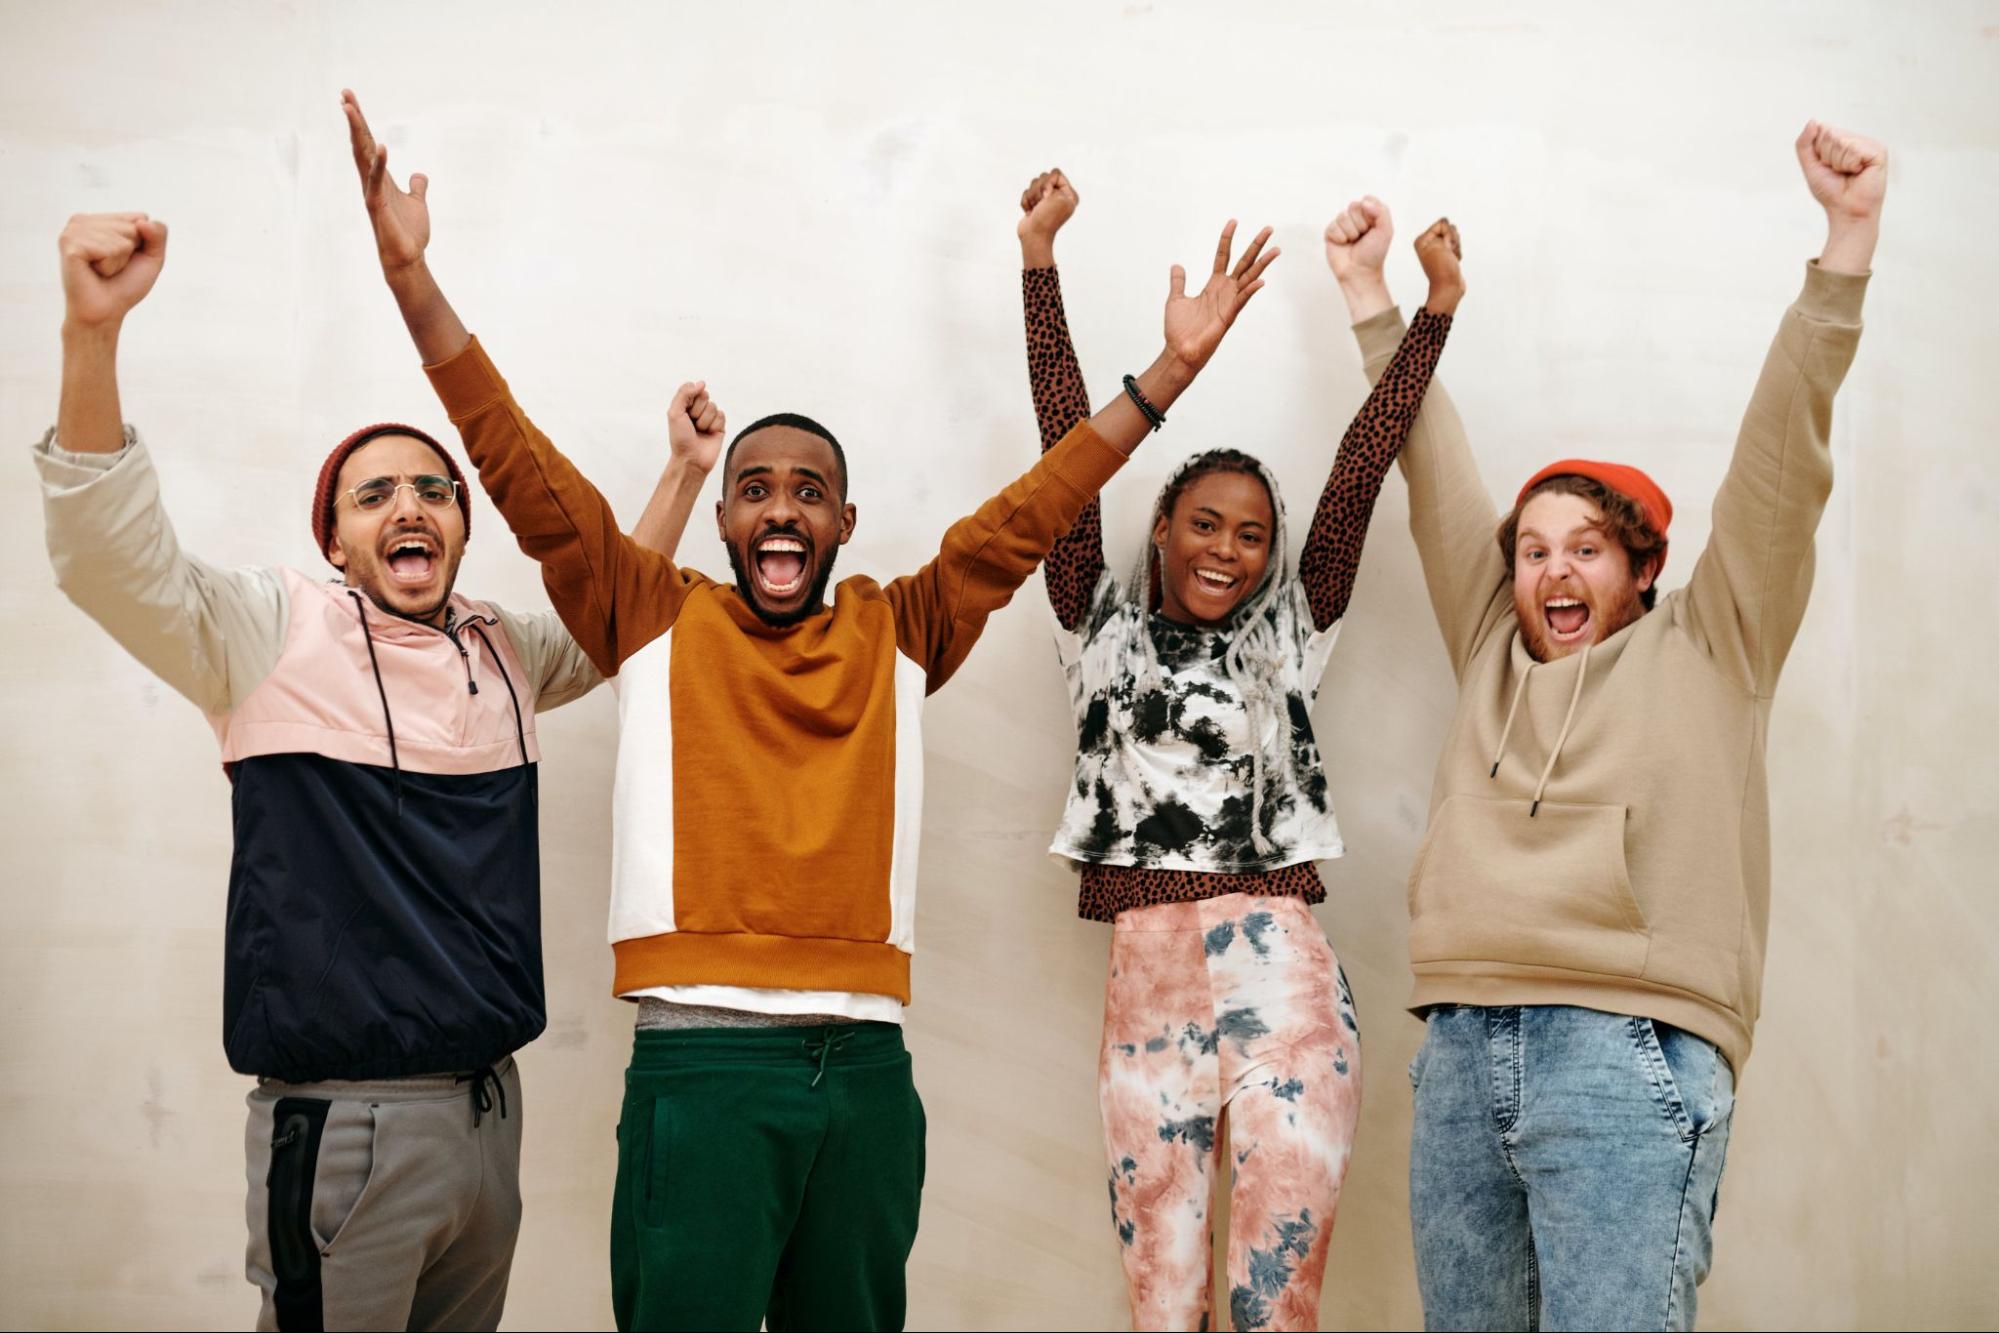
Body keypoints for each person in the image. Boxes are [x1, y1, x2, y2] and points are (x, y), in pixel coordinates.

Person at [340, 89, 1279, 1331]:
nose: (780, 510)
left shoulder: (902, 624)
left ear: (842, 519)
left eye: (809, 492)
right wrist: (413, 280)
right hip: (703, 1066)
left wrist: (1169, 372)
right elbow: (514, 461)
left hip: (868, 1078)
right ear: (724, 518)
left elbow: (1039, 505)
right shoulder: (651, 611)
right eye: (754, 490)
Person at [33, 202, 716, 1329]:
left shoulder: (498, 646)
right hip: (344, 1131)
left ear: (461, 526)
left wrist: (682, 475)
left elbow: (613, 618)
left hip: (491, 1119)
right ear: (337, 542)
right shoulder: (265, 633)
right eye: (375, 494)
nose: (410, 504)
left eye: (435, 489)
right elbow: (110, 559)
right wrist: (91, 333)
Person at [1322, 121, 1884, 1330]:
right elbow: (1430, 463)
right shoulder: (1490, 644)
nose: (1550, 571)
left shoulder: (1714, 642)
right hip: (1464, 1049)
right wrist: (1374, 298)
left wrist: (1842, 244)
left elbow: (1783, 454)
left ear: (1641, 568)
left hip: (1627, 1053)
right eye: (1529, 550)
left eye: (1583, 548)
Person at [1015, 169, 1463, 1331]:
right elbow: (1065, 452)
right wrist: (1037, 264)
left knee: (1278, 1305)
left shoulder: (1293, 636)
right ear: (1159, 527)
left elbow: (1362, 467)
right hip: (1147, 987)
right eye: (1204, 524)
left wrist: (1434, 313)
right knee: (1161, 1305)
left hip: (1287, 983)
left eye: (1250, 535)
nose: (1227, 550)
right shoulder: (1096, 630)